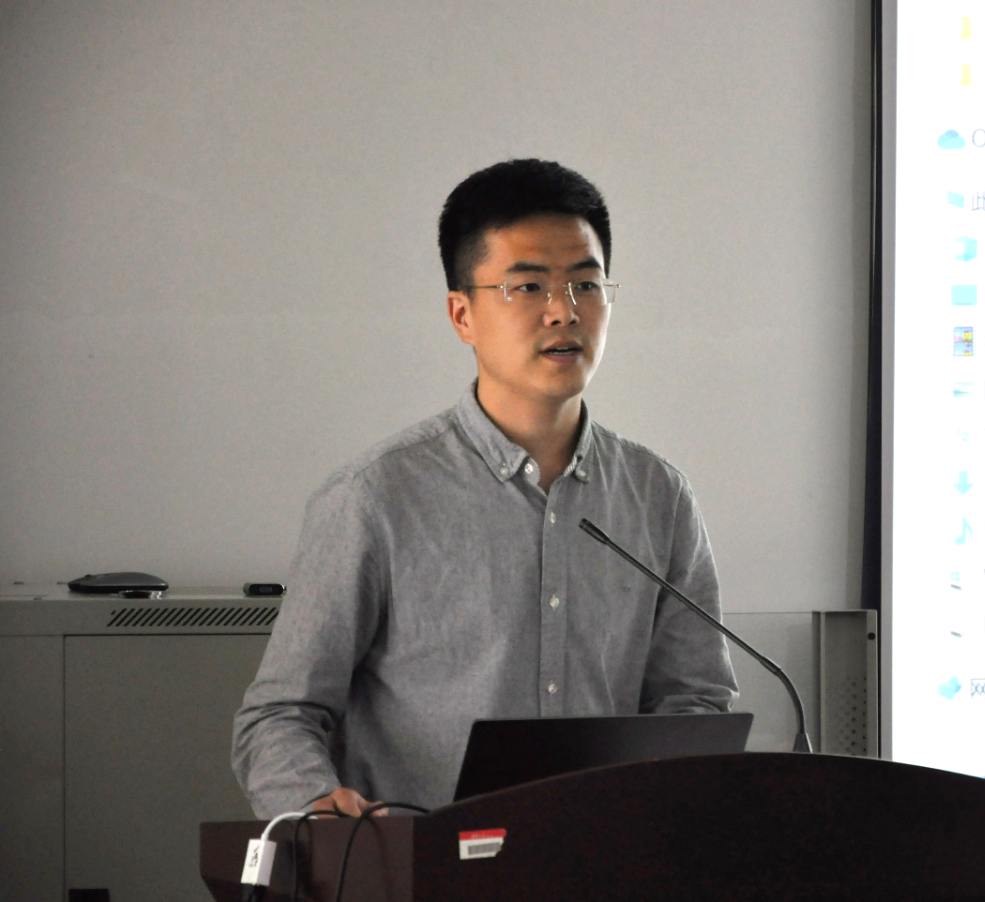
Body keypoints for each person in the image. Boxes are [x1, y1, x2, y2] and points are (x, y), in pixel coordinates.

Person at [231, 159, 738, 819]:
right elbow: (280, 714)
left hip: (602, 858)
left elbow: (694, 703)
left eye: (586, 284)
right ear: (462, 314)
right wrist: (321, 810)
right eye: (528, 287)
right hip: (423, 860)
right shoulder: (375, 497)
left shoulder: (658, 496)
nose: (563, 311)